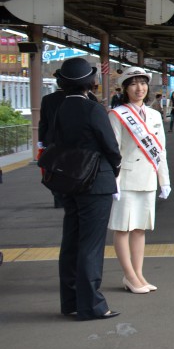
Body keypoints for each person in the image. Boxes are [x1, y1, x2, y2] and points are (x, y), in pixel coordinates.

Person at [50, 57, 122, 320]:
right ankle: (91, 306)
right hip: (96, 182)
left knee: (71, 242)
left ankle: (70, 301)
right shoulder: (93, 110)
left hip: (69, 182)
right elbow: (111, 148)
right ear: (90, 83)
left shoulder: (60, 109)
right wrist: (113, 169)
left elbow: (53, 142)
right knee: (91, 246)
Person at [108, 66, 171, 294]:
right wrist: (113, 181)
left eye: (143, 83)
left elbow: (160, 150)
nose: (140, 88)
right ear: (125, 88)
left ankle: (139, 274)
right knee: (123, 228)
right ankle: (129, 275)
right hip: (125, 179)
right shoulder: (116, 115)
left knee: (140, 228)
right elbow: (113, 150)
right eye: (133, 84)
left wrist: (164, 180)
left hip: (147, 178)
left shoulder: (154, 115)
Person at [38, 70, 70, 208]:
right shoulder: (78, 99)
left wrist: (41, 141)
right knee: (71, 170)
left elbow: (43, 122)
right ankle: (70, 195)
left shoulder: (47, 99)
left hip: (51, 142)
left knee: (54, 170)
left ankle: (58, 198)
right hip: (72, 142)